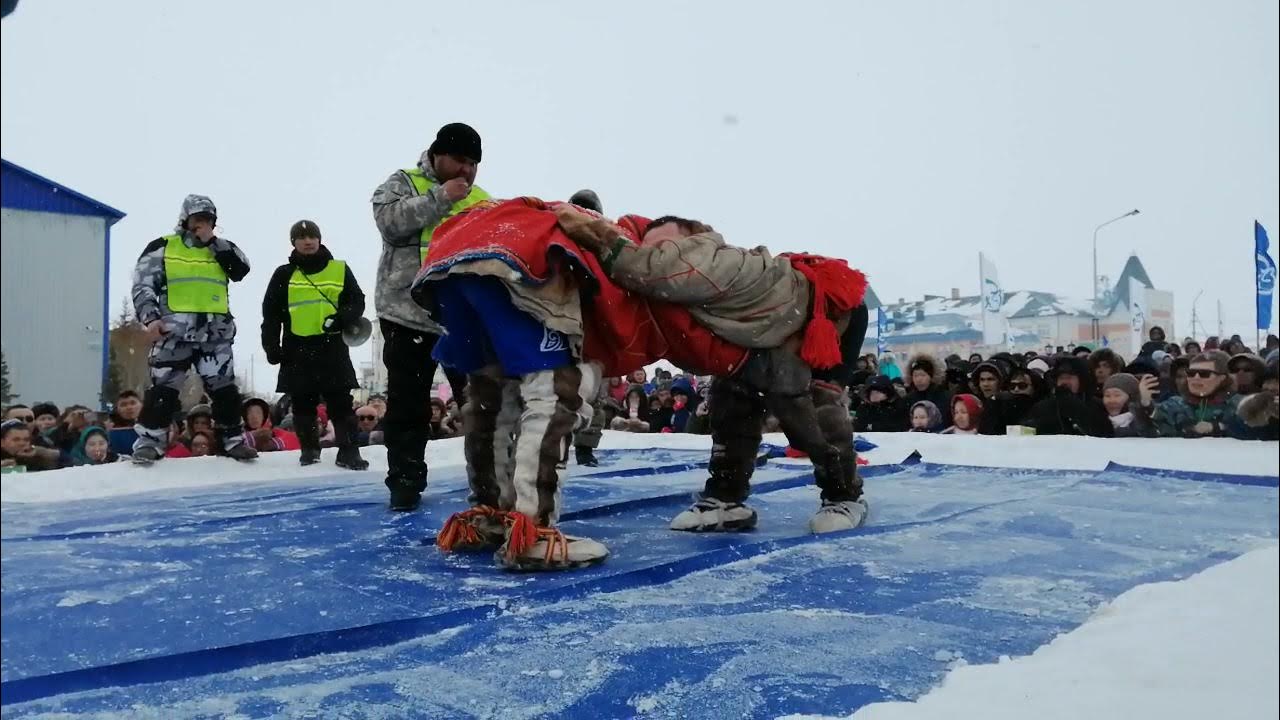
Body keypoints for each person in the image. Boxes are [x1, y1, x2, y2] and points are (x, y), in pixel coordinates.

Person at [554, 208, 869, 534]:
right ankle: (725, 498)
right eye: (648, 245)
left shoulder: (714, 262)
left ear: (695, 237)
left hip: (830, 322)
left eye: (665, 244)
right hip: (762, 337)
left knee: (813, 407)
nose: (655, 252)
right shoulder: (682, 289)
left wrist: (591, 230)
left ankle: (844, 496)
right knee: (731, 397)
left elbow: (646, 267)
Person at [371, 123, 489, 510]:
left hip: (461, 319)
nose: (467, 171)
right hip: (407, 315)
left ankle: (490, 482)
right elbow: (389, 221)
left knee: (480, 403)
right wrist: (440, 198)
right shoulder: (403, 182)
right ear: (437, 155)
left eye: (473, 163)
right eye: (460, 160)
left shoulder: (482, 200)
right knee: (408, 405)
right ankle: (405, 483)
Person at [129, 195, 257, 465]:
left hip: (215, 334)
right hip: (173, 333)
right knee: (163, 390)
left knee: (224, 390)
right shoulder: (163, 247)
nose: (203, 224)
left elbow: (241, 269)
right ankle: (150, 442)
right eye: (198, 219)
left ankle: (232, 440)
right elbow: (142, 286)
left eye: (208, 219)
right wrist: (150, 318)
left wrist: (214, 243)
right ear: (185, 220)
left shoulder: (222, 249)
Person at [261, 220, 368, 469]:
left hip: (332, 347)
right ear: (294, 243)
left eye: (312, 236)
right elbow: (271, 314)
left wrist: (341, 318)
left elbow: (357, 301)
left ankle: (349, 451)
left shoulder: (339, 268)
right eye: (301, 237)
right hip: (296, 347)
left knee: (341, 403)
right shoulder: (283, 274)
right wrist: (271, 347)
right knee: (302, 403)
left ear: (320, 239)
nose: (308, 241)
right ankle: (309, 450)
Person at [1142, 351, 1249, 438]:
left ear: (1222, 378)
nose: (1196, 378)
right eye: (1191, 373)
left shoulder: (1241, 404)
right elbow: (1155, 423)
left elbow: (1255, 431)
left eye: (1204, 374)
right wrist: (1146, 404)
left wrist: (1217, 427)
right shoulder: (1177, 403)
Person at [1026, 355, 1113, 437]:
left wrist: (1074, 406)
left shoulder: (1097, 405)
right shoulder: (1043, 406)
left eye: (1069, 378)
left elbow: (1104, 433)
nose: (1064, 382)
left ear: (1081, 380)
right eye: (1061, 378)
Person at [1100, 373, 1155, 437]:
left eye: (1117, 395)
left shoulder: (1143, 423)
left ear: (1131, 397)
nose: (1112, 400)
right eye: (1107, 395)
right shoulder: (1098, 422)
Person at [904, 354, 951, 427]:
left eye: (923, 375)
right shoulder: (907, 399)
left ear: (931, 376)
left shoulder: (943, 396)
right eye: (915, 376)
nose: (919, 379)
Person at [1, 419, 66, 472]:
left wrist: (43, 452)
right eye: (16, 440)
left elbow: (72, 465)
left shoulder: (37, 457)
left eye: (26, 440)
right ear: (2, 442)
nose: (22, 443)